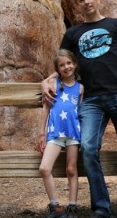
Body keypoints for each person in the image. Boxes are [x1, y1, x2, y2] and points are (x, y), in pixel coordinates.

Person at [41, 0, 117, 218]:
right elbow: (63, 64)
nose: (86, 2)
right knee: (88, 149)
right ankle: (101, 208)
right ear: (78, 5)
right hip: (90, 100)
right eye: (81, 0)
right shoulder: (73, 33)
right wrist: (46, 81)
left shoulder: (116, 25)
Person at [38, 49, 84, 218]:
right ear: (57, 69)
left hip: (73, 133)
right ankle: (55, 206)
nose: (66, 67)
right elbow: (46, 109)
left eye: (69, 63)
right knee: (44, 168)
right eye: (62, 65)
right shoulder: (53, 84)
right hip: (55, 133)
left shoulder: (81, 89)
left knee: (71, 169)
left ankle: (72, 206)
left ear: (75, 64)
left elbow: (80, 112)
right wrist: (41, 133)